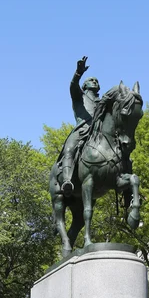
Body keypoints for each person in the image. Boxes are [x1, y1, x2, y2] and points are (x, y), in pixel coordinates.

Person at [59, 56, 100, 197]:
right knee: (69, 150)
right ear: (85, 86)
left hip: (98, 133)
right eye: (91, 80)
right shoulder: (79, 96)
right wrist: (78, 73)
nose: (94, 82)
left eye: (96, 81)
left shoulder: (102, 102)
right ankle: (67, 181)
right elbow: (72, 86)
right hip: (82, 130)